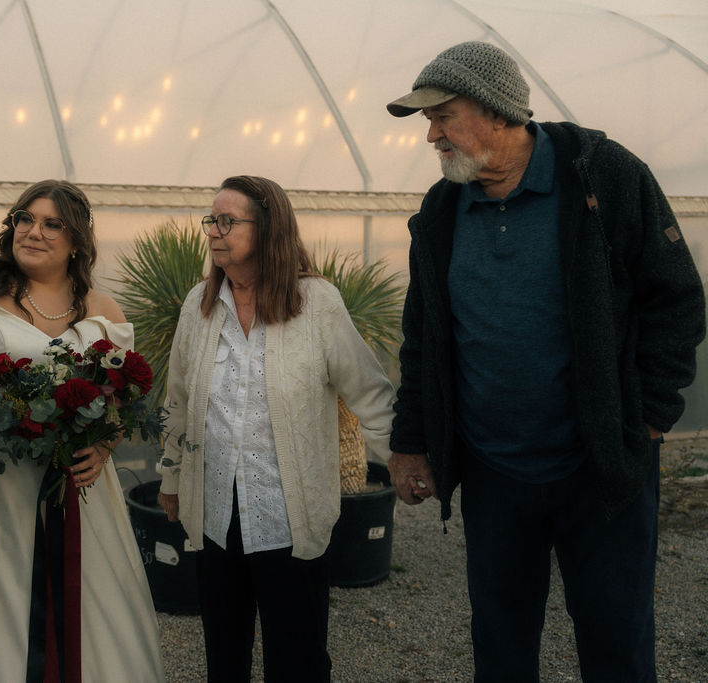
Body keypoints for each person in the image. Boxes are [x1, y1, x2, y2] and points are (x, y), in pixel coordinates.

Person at [385, 41, 706, 681]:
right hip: (493, 470)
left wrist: (645, 419)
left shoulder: (604, 178)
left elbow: (676, 299)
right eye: (427, 121)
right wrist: (411, 441)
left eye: (442, 116)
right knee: (500, 648)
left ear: (499, 112)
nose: (431, 136)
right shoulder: (443, 209)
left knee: (616, 644)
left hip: (599, 465)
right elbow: (422, 335)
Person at [157, 175, 396, 682]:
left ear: (268, 229)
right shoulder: (198, 306)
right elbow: (176, 402)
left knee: (299, 657)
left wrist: (408, 457)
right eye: (210, 221)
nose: (214, 232)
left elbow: (369, 390)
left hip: (290, 515)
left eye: (228, 221)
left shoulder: (316, 305)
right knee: (225, 654)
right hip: (216, 510)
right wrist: (172, 477)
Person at [0, 179, 165, 682]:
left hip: (79, 495)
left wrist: (102, 447)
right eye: (25, 218)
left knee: (94, 619)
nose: (33, 232)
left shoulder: (105, 312)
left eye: (52, 224)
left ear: (77, 241)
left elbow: (118, 398)